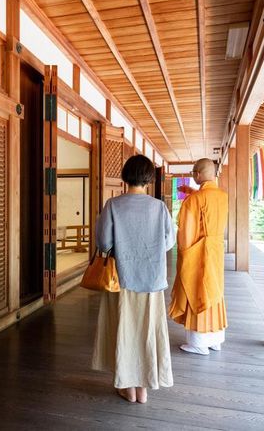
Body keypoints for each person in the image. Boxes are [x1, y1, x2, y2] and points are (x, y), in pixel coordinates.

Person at [92, 155, 176, 404]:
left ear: (125, 176)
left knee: (124, 331)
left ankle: (127, 387)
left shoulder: (113, 205)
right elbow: (169, 242)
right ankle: (144, 388)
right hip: (151, 280)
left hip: (122, 279)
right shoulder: (159, 207)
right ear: (149, 179)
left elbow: (104, 243)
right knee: (147, 331)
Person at [169, 158, 228, 355]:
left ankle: (199, 342)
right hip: (216, 250)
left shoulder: (193, 200)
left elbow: (186, 232)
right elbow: (207, 207)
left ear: (197, 174)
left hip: (199, 252)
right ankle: (215, 339)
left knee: (197, 292)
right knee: (214, 289)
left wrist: (184, 253)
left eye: (194, 172)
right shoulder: (222, 196)